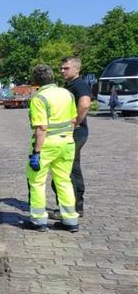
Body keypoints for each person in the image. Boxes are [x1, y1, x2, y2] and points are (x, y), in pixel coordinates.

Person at [26, 64, 79, 232]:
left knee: (37, 182)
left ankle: (38, 221)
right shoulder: (67, 94)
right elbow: (73, 119)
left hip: (47, 145)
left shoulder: (39, 99)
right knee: (64, 180)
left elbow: (41, 128)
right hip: (67, 143)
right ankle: (70, 220)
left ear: (35, 81)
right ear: (53, 77)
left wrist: (36, 152)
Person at [49, 57, 90, 219]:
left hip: (75, 132)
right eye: (61, 68)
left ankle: (68, 209)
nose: (62, 71)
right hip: (76, 132)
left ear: (76, 69)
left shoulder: (79, 84)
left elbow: (85, 104)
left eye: (66, 68)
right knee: (74, 168)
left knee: (63, 171)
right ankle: (77, 206)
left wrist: (75, 122)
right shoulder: (70, 85)